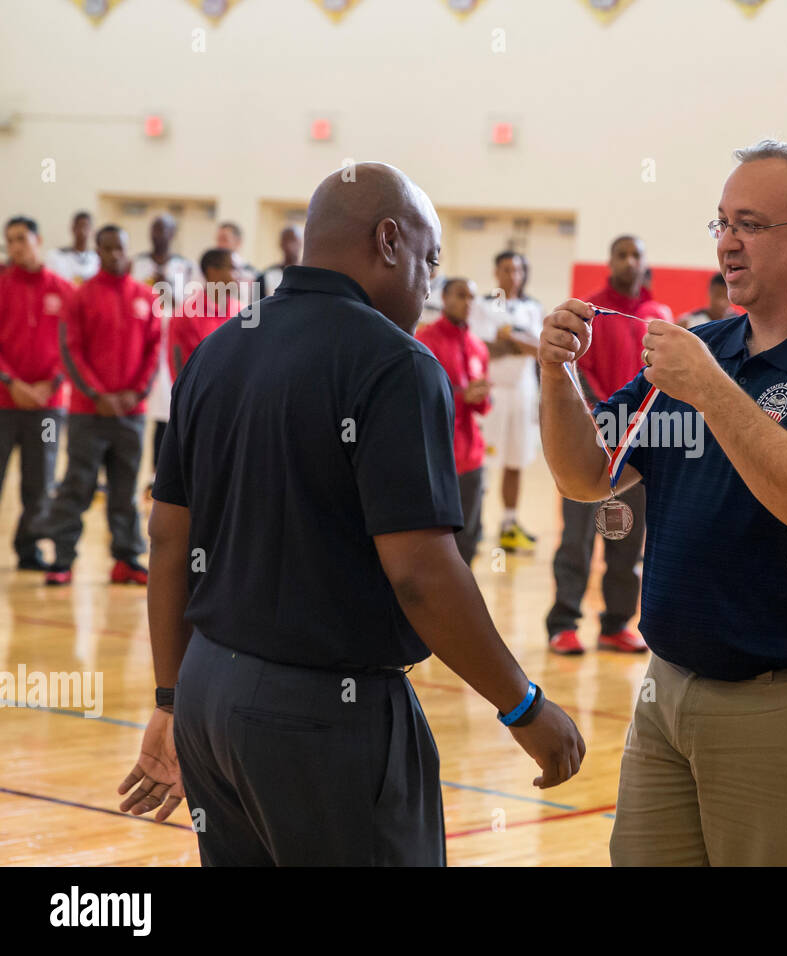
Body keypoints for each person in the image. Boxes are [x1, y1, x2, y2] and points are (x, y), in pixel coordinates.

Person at [119, 163, 583, 865]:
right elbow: (422, 574)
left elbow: (166, 533)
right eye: (430, 259)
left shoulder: (220, 348)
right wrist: (523, 704)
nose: (430, 285)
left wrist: (169, 695)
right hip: (322, 717)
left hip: (207, 694)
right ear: (389, 240)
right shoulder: (397, 363)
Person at [539, 140, 787, 865]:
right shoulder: (700, 347)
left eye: (749, 224)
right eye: (719, 223)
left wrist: (713, 389)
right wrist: (557, 375)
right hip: (669, 689)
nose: (727, 243)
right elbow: (585, 475)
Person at [544, 234, 671, 656]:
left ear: (645, 262)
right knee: (577, 541)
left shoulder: (659, 315)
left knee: (627, 542)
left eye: (636, 254)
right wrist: (604, 416)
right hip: (591, 442)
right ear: (610, 261)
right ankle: (563, 623)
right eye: (622, 254)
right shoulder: (589, 312)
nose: (629, 261)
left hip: (639, 448)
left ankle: (615, 625)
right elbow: (578, 375)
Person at [44, 225, 159, 586]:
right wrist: (97, 395)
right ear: (98, 250)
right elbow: (69, 350)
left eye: (120, 248)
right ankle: (62, 559)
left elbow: (154, 352)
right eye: (107, 249)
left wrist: (136, 393)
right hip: (88, 414)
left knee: (125, 492)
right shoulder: (80, 297)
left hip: (131, 415)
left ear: (128, 249)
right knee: (77, 487)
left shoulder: (144, 297)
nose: (114, 255)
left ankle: (126, 559)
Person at [0, 217, 74, 571]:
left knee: (39, 482)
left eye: (21, 239)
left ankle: (28, 549)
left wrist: (53, 382)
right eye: (9, 240)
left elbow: (74, 344)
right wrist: (10, 382)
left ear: (38, 239)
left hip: (48, 407)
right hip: (3, 402)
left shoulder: (63, 290)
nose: (15, 246)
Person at [469, 250, 544, 552]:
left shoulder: (533, 307)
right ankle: (474, 526)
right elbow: (483, 348)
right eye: (506, 269)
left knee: (516, 460)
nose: (512, 275)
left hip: (523, 391)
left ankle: (509, 526)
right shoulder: (483, 305)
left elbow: (538, 349)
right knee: (483, 462)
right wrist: (517, 342)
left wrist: (509, 339)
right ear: (496, 273)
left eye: (517, 270)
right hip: (493, 391)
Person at [417, 277, 492, 565]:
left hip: (471, 456)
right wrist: (462, 397)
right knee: (432, 539)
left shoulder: (477, 346)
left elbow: (483, 405)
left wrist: (481, 397)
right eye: (461, 295)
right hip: (435, 454)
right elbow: (422, 396)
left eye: (472, 297)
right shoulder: (425, 341)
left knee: (468, 538)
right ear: (444, 298)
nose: (468, 303)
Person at [132, 214, 197, 476]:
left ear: (173, 234)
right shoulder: (137, 263)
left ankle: (157, 474)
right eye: (154, 229)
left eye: (165, 230)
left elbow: (190, 304)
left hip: (171, 342)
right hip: (141, 340)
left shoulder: (185, 266)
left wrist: (167, 286)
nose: (159, 235)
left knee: (165, 409)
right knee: (137, 408)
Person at [168, 249, 242, 378]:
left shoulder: (242, 312)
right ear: (212, 271)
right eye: (233, 269)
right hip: (197, 394)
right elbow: (177, 364)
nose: (239, 276)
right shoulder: (186, 314)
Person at [46, 211, 99, 285]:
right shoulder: (56, 256)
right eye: (79, 226)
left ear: (93, 231)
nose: (82, 231)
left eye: (86, 227)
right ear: (73, 228)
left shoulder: (97, 259)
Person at [257, 224, 303, 297]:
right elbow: (255, 307)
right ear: (281, 244)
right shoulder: (266, 276)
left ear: (300, 242)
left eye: (293, 240)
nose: (289, 245)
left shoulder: (308, 276)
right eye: (286, 241)